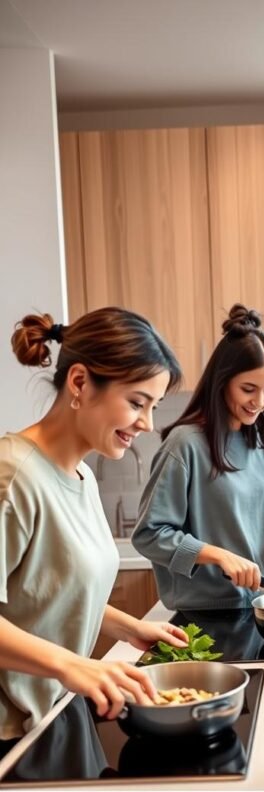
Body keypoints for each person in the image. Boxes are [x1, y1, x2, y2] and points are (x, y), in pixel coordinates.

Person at [0, 306, 191, 750]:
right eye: (137, 403)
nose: (146, 423)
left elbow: (44, 591)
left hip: (51, 717)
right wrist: (71, 665)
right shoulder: (13, 477)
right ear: (81, 382)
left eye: (153, 407)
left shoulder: (81, 476)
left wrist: (129, 627)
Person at [132, 304, 264, 610]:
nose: (260, 402)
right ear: (221, 382)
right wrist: (217, 555)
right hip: (204, 616)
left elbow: (258, 516)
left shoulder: (260, 445)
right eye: (248, 389)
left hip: (258, 607)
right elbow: (149, 535)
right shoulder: (185, 445)